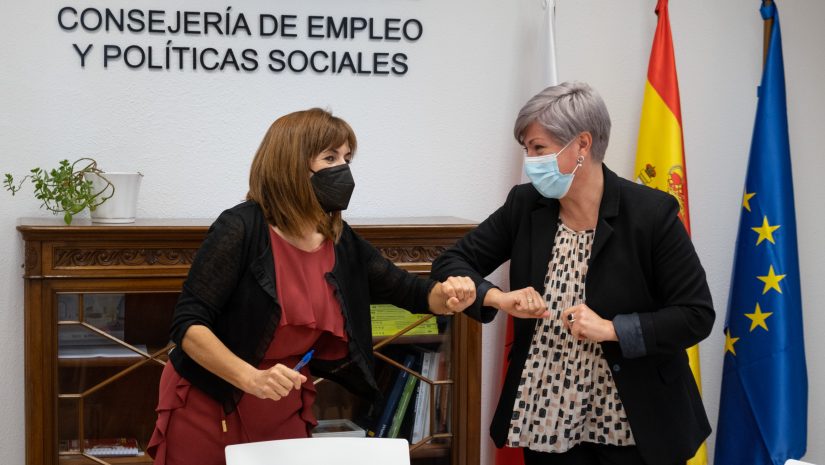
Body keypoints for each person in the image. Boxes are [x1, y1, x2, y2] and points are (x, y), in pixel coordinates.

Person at [147, 108, 476, 465]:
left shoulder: (339, 240)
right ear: (292, 164)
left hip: (281, 404)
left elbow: (409, 291)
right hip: (211, 399)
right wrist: (250, 378)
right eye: (330, 157)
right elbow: (189, 325)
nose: (343, 170)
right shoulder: (240, 228)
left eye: (347, 158)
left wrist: (445, 297)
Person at [431, 82, 714, 465]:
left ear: (582, 144)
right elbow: (451, 263)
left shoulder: (651, 214)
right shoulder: (526, 204)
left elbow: (695, 315)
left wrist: (613, 329)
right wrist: (499, 298)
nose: (530, 161)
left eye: (538, 148)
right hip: (546, 414)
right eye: (527, 149)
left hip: (633, 418)